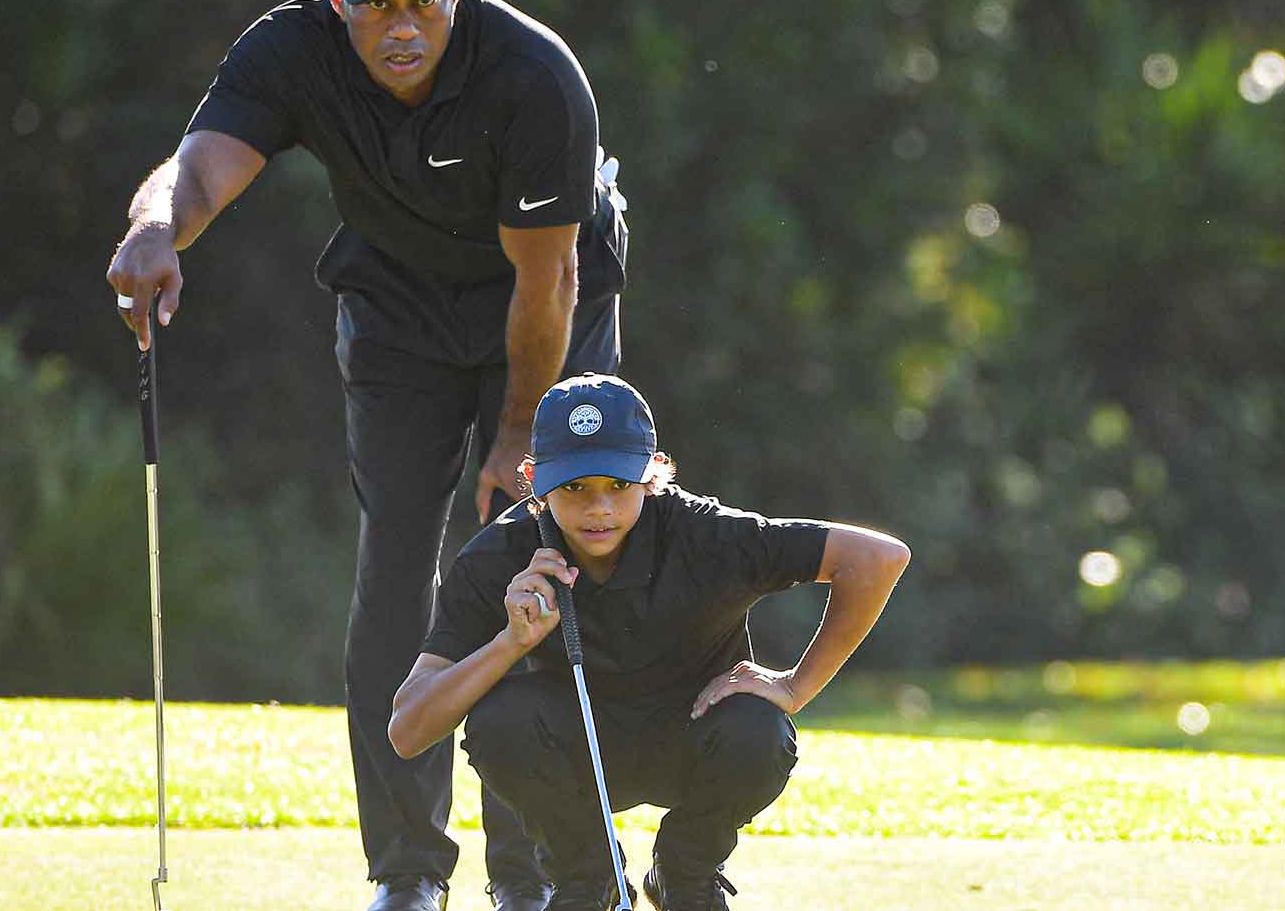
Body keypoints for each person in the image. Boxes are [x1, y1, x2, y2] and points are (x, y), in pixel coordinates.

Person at [104, 0, 631, 911]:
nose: (402, 28)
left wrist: (520, 433)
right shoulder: (287, 50)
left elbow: (547, 282)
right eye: (377, 6)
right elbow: (199, 172)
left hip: (546, 303)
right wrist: (156, 228)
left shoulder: (531, 76)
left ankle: (532, 874)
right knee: (396, 563)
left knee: (541, 549)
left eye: (422, 4)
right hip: (396, 306)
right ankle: (406, 870)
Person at [388, 374, 911, 911]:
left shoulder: (708, 536)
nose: (599, 509)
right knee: (499, 721)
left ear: (655, 475)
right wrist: (509, 642)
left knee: (761, 729)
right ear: (533, 479)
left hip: (692, 743)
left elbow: (877, 559)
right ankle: (591, 880)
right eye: (574, 487)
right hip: (574, 760)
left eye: (619, 485)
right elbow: (408, 730)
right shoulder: (498, 555)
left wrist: (794, 687)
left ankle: (685, 875)